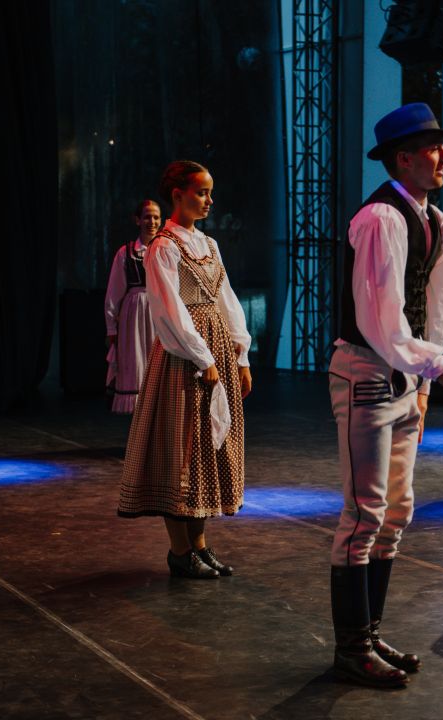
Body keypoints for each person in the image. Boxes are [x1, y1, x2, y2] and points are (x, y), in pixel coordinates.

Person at [329, 103, 443, 688]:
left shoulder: (436, 222)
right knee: (365, 512)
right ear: (403, 159)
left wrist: (423, 380)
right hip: (367, 371)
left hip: (402, 377)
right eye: (432, 148)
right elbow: (380, 322)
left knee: (397, 511)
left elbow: (435, 310)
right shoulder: (380, 218)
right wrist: (438, 367)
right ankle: (352, 648)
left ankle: (369, 634)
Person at [117, 160, 253, 580]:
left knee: (207, 453)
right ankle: (180, 551)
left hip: (216, 352)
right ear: (177, 195)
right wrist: (202, 356)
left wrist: (241, 355)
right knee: (181, 453)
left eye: (210, 193)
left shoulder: (208, 244)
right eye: (201, 192)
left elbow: (226, 298)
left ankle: (200, 545)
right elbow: (169, 311)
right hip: (183, 357)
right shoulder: (164, 247)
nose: (209, 200)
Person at [104, 199, 160, 414]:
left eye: (156, 217)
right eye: (147, 217)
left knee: (158, 362)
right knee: (136, 362)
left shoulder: (167, 250)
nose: (152, 221)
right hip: (134, 315)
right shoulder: (125, 253)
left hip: (160, 312)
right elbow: (114, 292)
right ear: (138, 220)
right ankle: (139, 419)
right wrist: (111, 327)